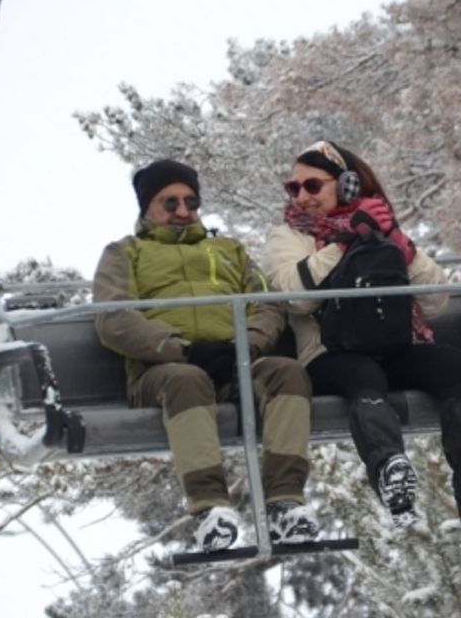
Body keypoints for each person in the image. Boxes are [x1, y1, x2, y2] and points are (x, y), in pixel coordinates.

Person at [263, 140, 461, 533]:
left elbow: (436, 301)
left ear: (347, 185)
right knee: (363, 376)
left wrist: (399, 246)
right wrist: (345, 244)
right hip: (330, 352)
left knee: (450, 365)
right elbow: (295, 296)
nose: (301, 197)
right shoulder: (289, 236)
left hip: (394, 345)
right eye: (293, 188)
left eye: (312, 186)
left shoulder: (381, 231)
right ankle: (390, 471)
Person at [93, 159, 318, 552]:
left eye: (191, 201)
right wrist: (183, 350)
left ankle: (285, 501)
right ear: (147, 207)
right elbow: (114, 319)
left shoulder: (227, 249)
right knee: (187, 379)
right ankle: (209, 507)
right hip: (164, 372)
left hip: (235, 362)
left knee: (286, 372)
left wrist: (244, 346)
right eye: (170, 203)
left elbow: (266, 304)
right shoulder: (125, 253)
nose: (183, 211)